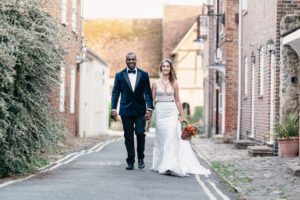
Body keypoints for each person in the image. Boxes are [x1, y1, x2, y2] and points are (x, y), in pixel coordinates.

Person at [151, 58, 210, 177]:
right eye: (163, 66)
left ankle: (170, 166)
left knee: (171, 138)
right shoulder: (155, 83)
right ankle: (162, 163)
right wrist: (148, 112)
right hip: (160, 112)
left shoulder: (175, 83)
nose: (165, 68)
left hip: (172, 112)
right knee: (163, 140)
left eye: (167, 66)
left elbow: (178, 100)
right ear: (161, 68)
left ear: (170, 68)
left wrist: (182, 116)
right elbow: (152, 100)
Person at [111, 52, 153, 170]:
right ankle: (130, 161)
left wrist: (149, 108)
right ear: (125, 60)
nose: (131, 61)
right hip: (126, 110)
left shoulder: (144, 75)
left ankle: (141, 157)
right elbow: (115, 92)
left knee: (140, 133)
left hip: (140, 110)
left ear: (136, 60)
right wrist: (113, 108)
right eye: (128, 59)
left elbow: (148, 93)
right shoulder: (119, 75)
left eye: (133, 59)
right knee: (128, 136)